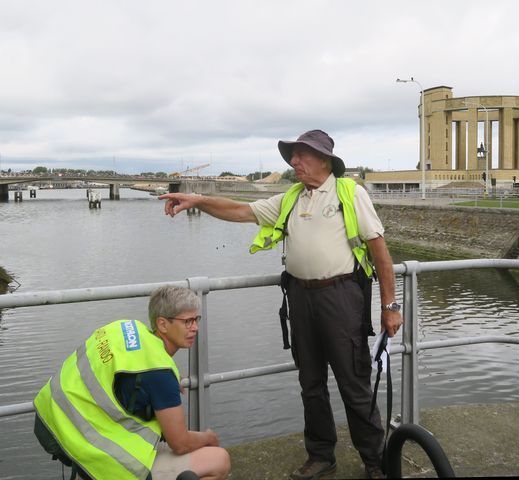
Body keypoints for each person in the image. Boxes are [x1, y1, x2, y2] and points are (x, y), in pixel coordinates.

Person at [160, 129, 403, 480]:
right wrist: (197, 200)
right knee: (311, 382)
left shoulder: (350, 193)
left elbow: (380, 252)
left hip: (341, 296)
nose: (294, 162)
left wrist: (390, 306)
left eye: (301, 155)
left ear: (324, 159)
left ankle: (375, 460)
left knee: (354, 383)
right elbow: (241, 211)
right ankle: (321, 456)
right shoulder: (291, 197)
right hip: (300, 298)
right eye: (292, 155)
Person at [33, 285, 231, 480]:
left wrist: (168, 377)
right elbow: (179, 443)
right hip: (100, 459)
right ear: (162, 324)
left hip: (54, 422)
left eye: (196, 319)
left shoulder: (124, 328)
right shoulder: (159, 373)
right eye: (187, 321)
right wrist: (208, 437)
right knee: (220, 460)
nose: (195, 327)